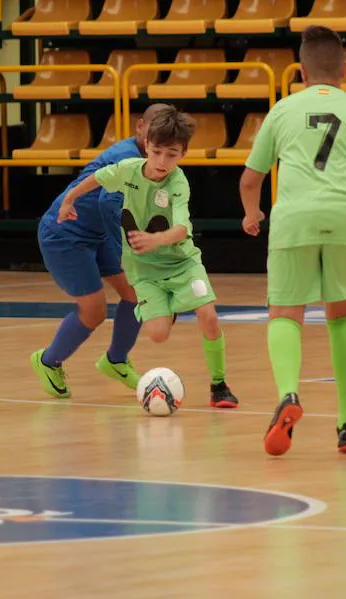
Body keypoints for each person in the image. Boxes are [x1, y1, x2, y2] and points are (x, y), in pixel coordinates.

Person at [239, 26, 346, 455]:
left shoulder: (282, 110)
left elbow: (249, 179)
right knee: (342, 316)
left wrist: (251, 212)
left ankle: (288, 393)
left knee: (284, 313)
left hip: (294, 219)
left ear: (300, 71)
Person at [57, 106, 239, 408]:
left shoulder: (178, 183)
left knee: (208, 316)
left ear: (182, 154)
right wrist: (68, 201)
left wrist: (156, 239)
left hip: (182, 263)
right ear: (146, 147)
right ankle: (166, 306)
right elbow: (96, 179)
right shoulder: (128, 169)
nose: (162, 161)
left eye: (172, 154)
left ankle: (219, 385)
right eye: (156, 152)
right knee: (157, 336)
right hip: (143, 270)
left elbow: (181, 229)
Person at [30, 104, 172, 399]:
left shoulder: (156, 163)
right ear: (140, 128)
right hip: (65, 233)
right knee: (94, 311)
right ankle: (47, 361)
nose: (157, 142)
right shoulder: (126, 159)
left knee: (135, 293)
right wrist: (134, 254)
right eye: (153, 134)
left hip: (99, 233)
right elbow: (108, 207)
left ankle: (115, 360)